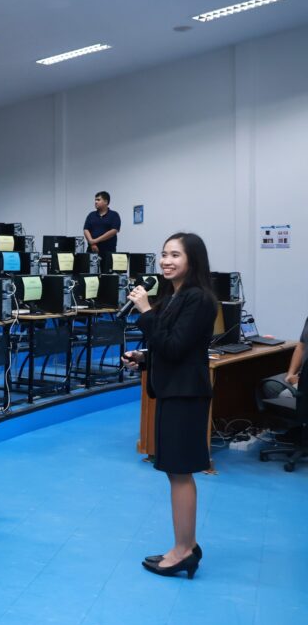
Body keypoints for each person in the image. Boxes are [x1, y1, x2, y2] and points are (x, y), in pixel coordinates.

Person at [122, 232, 217, 579]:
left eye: (175, 255)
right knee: (175, 473)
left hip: (185, 397)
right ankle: (185, 544)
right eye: (164, 254)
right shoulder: (176, 297)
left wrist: (146, 311)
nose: (166, 261)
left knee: (180, 473)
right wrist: (144, 359)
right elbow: (169, 347)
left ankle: (184, 551)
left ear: (193, 260)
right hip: (173, 392)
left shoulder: (199, 299)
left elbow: (176, 348)